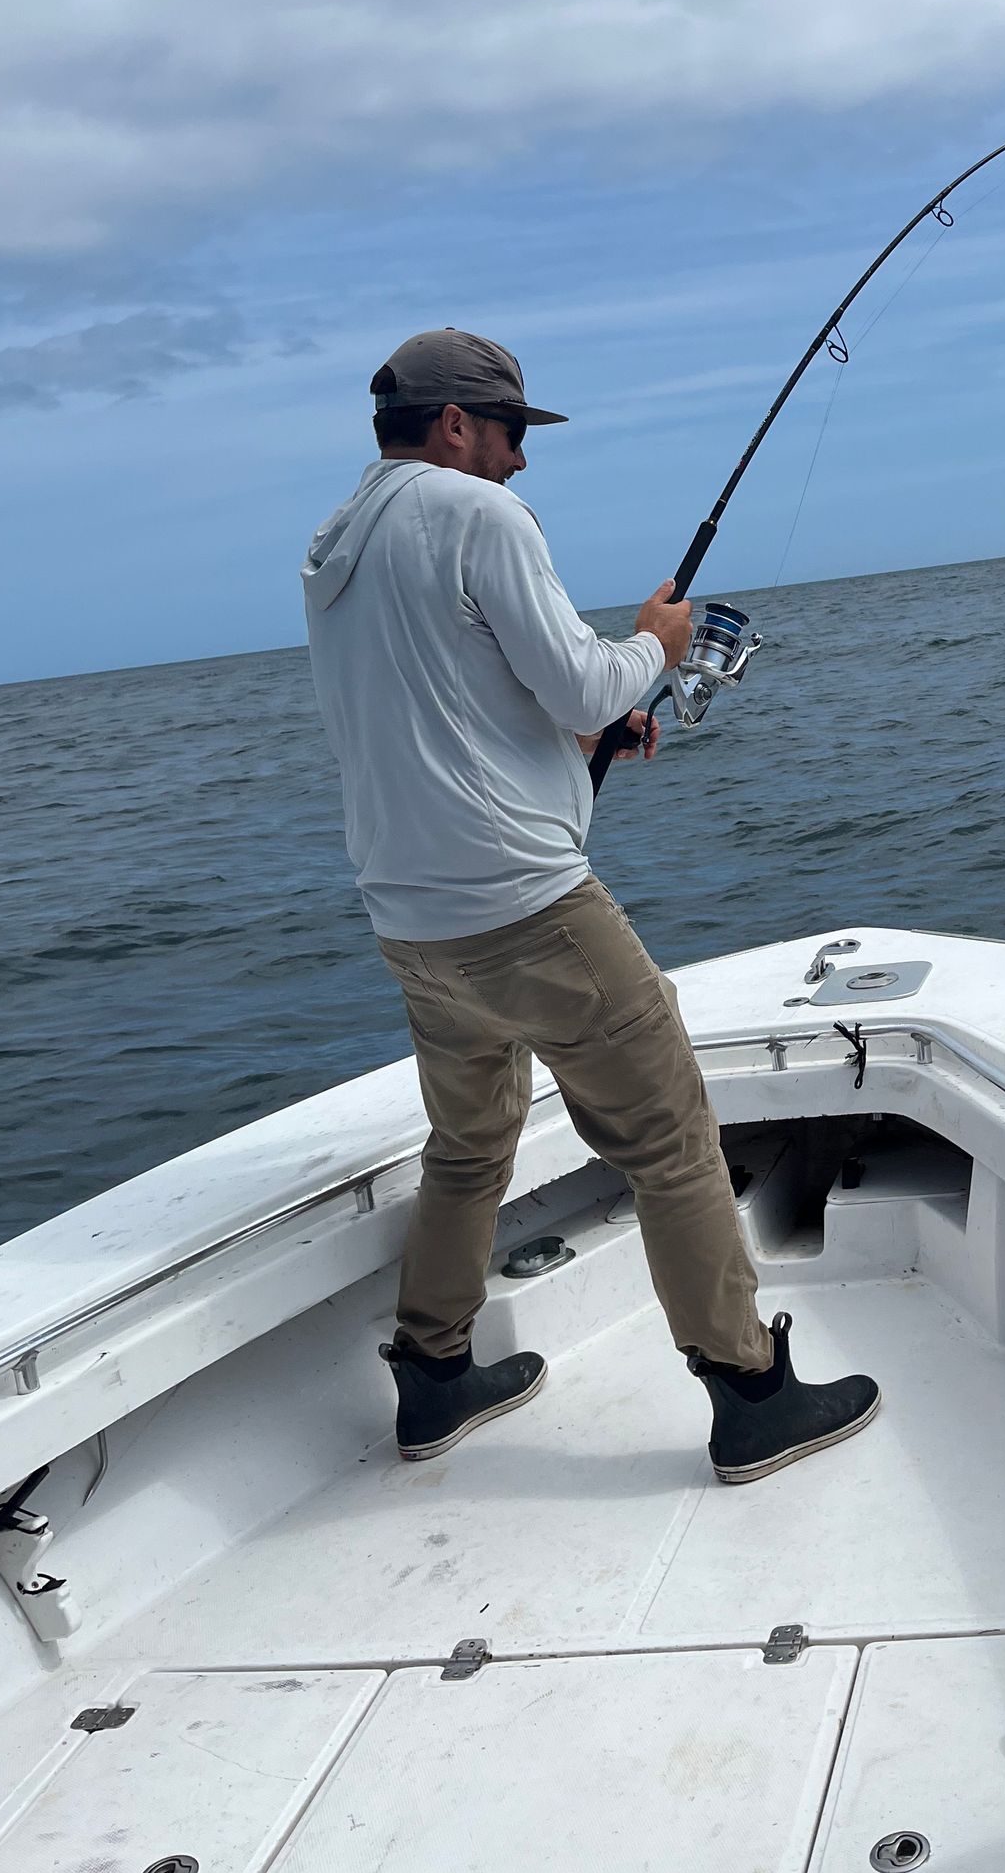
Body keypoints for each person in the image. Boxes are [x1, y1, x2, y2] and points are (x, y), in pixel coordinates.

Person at [301, 328, 880, 1476]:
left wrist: (586, 728)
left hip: (412, 919)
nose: (522, 461)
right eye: (513, 432)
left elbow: (454, 704)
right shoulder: (477, 514)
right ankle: (750, 1390)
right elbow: (580, 674)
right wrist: (652, 651)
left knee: (470, 1144)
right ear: (458, 424)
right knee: (671, 1134)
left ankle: (434, 1374)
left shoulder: (336, 544)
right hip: (523, 905)